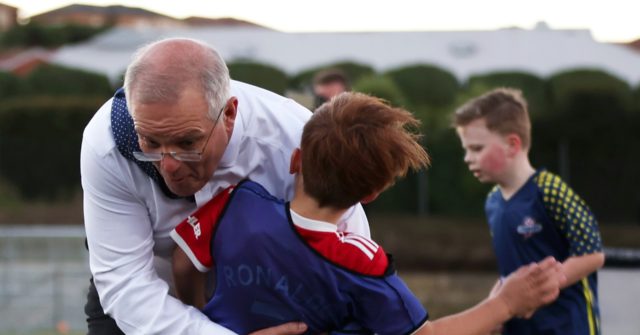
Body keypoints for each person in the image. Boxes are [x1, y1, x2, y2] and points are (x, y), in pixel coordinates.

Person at [171, 92, 566, 334]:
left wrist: (202, 316)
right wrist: (506, 304)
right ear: (372, 194)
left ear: (295, 160)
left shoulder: (238, 202)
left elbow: (184, 263)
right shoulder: (362, 263)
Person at [80, 37, 369, 334]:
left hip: (270, 302)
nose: (168, 165)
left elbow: (349, 266)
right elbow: (125, 283)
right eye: (151, 142)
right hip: (147, 300)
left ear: (229, 114)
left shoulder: (296, 141)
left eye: (188, 142)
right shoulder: (108, 145)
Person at [453, 87, 605, 335]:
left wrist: (544, 286)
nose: (468, 158)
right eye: (466, 149)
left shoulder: (550, 190)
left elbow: (593, 254)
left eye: (477, 149)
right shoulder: (492, 202)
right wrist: (495, 307)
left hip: (568, 327)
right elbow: (511, 268)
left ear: (513, 144)